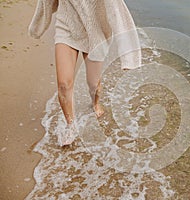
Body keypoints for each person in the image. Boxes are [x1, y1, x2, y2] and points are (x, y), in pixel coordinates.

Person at [28, 0, 141, 146]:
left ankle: (95, 103)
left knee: (93, 84)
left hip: (95, 33)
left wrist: (128, 56)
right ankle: (71, 125)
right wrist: (37, 28)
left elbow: (118, 14)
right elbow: (46, 3)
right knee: (63, 84)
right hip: (66, 27)